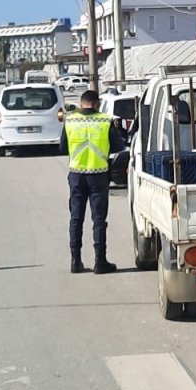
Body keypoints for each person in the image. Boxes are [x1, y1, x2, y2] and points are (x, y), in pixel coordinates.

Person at [59, 90, 126, 274]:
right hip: (98, 175)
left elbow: (63, 147)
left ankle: (75, 261)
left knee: (76, 218)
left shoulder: (70, 120)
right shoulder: (105, 121)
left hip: (76, 175)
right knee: (98, 220)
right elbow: (119, 146)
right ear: (97, 104)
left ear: (82, 104)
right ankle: (100, 262)